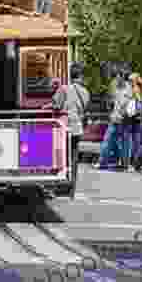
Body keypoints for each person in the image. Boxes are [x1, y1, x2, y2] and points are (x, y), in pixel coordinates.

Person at [51, 62, 90, 198]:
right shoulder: (85, 92)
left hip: (64, 127)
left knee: (60, 157)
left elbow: (56, 105)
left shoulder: (64, 89)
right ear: (81, 76)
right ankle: (71, 190)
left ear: (70, 75)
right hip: (77, 128)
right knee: (73, 159)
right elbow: (84, 109)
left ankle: (58, 187)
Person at [94, 66, 133, 170]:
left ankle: (125, 164)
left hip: (125, 119)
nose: (117, 79)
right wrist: (110, 111)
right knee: (107, 140)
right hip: (114, 118)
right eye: (117, 77)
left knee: (125, 142)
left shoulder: (129, 88)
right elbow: (109, 101)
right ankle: (102, 162)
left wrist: (125, 113)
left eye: (119, 77)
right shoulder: (114, 86)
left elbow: (130, 104)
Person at [128, 73, 142, 172]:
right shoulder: (133, 89)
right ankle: (134, 162)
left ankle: (134, 162)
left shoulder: (140, 89)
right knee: (135, 141)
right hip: (134, 117)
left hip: (136, 117)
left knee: (135, 141)